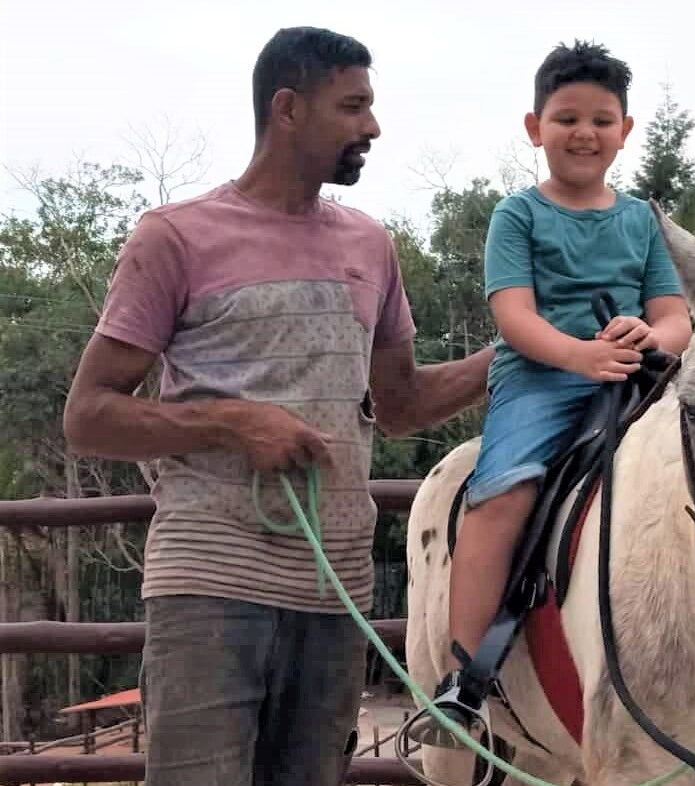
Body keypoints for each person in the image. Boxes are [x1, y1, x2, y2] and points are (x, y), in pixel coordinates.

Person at [63, 26, 492, 786]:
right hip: (209, 584)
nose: (372, 127)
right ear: (288, 109)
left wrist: (515, 358)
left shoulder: (370, 245)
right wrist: (231, 421)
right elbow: (89, 415)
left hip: (336, 593)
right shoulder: (176, 237)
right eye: (352, 106)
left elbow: (398, 404)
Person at [413, 40, 692, 744]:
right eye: (566, 118)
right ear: (534, 127)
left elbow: (675, 317)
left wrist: (644, 340)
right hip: (538, 383)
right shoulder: (518, 216)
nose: (584, 133)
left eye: (601, 120)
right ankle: (462, 680)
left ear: (623, 132)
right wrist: (581, 356)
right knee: (499, 495)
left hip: (633, 383)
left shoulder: (641, 221)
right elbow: (513, 316)